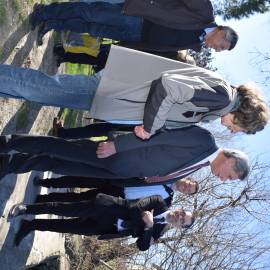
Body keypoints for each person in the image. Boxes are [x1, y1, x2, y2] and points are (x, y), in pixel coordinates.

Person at [0, 46, 268, 137]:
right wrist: (151, 126)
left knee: (37, 93)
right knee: (40, 87)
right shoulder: (221, 96)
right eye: (241, 129)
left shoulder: (217, 105)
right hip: (114, 89)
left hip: (114, 95)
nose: (234, 132)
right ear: (244, 117)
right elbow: (168, 86)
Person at [0, 126, 250, 184]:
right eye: (229, 176)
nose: (223, 180)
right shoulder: (204, 141)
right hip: (116, 154)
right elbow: (158, 135)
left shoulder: (200, 166)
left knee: (61, 165)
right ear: (230, 160)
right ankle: (10, 143)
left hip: (116, 171)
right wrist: (117, 145)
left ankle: (14, 164)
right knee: (60, 148)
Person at [30, 1, 238, 54]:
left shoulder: (195, 44)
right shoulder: (204, 13)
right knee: (90, 12)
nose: (217, 49)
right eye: (221, 46)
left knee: (91, 27)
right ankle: (45, 12)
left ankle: (52, 24)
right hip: (139, 17)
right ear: (221, 32)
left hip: (135, 35)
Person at [9, 193, 194, 249]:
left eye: (181, 221)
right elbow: (135, 207)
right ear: (179, 209)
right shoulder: (160, 202)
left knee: (63, 226)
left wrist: (149, 225)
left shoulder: (157, 232)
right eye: (181, 213)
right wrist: (143, 223)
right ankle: (26, 209)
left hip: (105, 228)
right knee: (61, 208)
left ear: (178, 227)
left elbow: (142, 246)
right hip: (107, 208)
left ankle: (31, 225)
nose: (178, 217)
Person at [33, 176, 199, 206]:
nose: (185, 187)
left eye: (188, 190)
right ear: (187, 179)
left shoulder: (167, 201)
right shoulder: (168, 173)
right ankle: (46, 182)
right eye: (188, 184)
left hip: (119, 197)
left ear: (185, 194)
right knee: (80, 179)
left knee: (80, 198)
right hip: (119, 180)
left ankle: (44, 200)